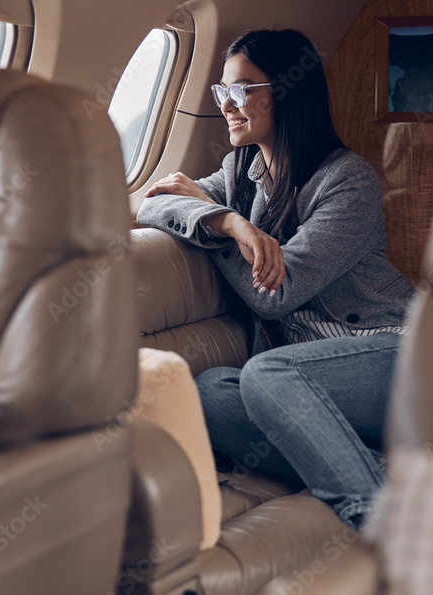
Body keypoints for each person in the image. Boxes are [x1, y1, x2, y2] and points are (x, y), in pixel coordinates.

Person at [135, 28, 415, 528]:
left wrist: (218, 225)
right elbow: (154, 201)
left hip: (397, 356)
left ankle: (378, 518)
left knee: (268, 375)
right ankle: (375, 469)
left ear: (287, 92)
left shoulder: (349, 181)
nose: (226, 104)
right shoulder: (240, 174)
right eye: (223, 91)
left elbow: (277, 292)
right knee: (211, 391)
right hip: (310, 383)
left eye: (242, 89)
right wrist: (230, 222)